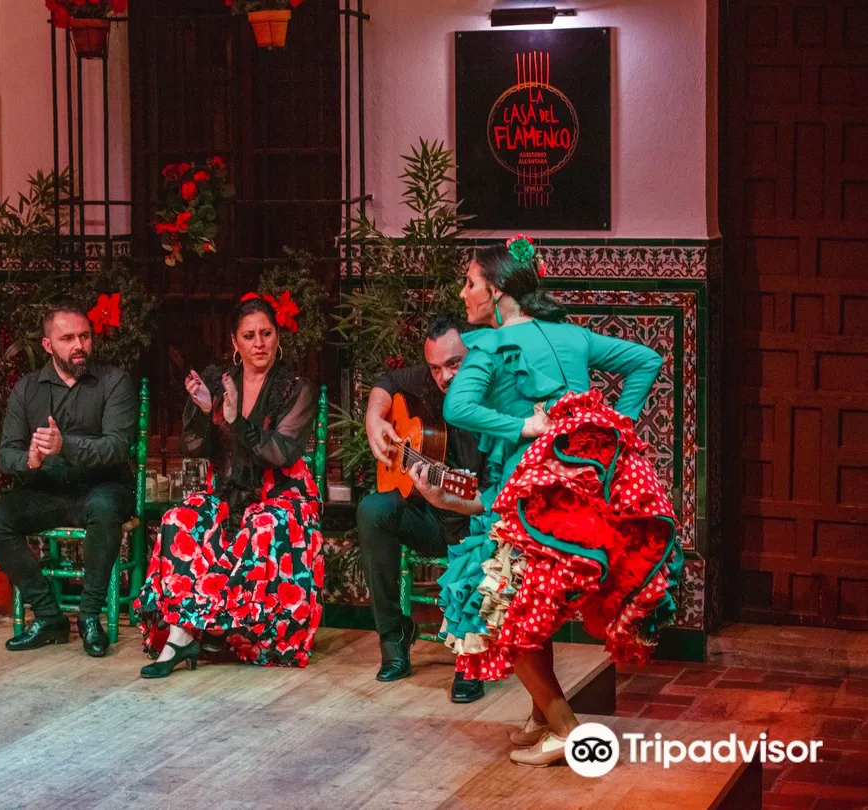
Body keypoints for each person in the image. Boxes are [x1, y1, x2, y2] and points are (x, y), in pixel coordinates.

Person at [431, 236, 680, 767]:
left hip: (528, 502)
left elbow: (456, 406)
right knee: (532, 607)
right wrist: (614, 425)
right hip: (584, 494)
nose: (464, 292)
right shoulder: (572, 336)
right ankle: (543, 716)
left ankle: (567, 729)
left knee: (505, 614)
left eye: (470, 283)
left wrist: (525, 426)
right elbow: (647, 359)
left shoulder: (490, 346)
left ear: (497, 290)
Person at [133, 293, 324, 677]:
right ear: (235, 342)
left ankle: (220, 632)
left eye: (266, 333)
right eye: (249, 336)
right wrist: (207, 412)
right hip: (227, 490)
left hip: (282, 496)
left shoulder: (294, 388)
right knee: (178, 520)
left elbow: (280, 453)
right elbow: (194, 447)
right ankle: (185, 632)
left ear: (277, 336)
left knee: (261, 525)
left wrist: (235, 420)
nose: (259, 343)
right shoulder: (218, 382)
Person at [0, 301, 137, 658]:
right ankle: (48, 615)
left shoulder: (113, 382)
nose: (79, 345)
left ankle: (89, 615)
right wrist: (30, 459)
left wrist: (65, 446)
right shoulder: (27, 389)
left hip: (102, 487)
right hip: (46, 490)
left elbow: (116, 448)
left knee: (104, 507)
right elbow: (7, 453)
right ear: (47, 345)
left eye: (84, 336)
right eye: (67, 338)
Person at [356, 314, 489, 704]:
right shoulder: (429, 380)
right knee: (373, 509)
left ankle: (471, 660)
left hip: (473, 520)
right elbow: (387, 382)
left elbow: (493, 496)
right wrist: (374, 419)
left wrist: (448, 496)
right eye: (435, 368)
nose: (444, 377)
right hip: (430, 518)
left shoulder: (494, 401)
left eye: (454, 364)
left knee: (476, 537)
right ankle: (394, 637)